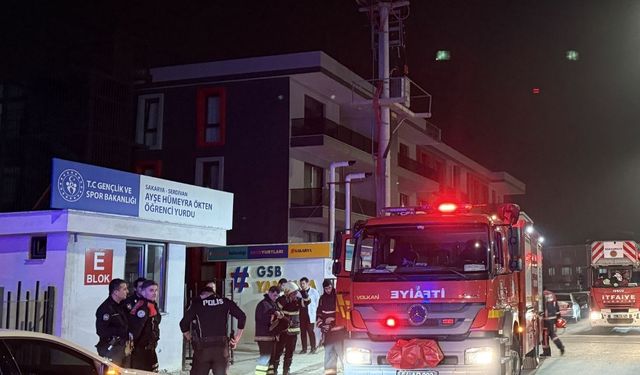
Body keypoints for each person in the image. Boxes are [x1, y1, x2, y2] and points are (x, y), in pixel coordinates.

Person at [180, 284, 246, 375]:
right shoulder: (225, 302)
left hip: (203, 349)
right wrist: (236, 338)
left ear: (204, 294)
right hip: (221, 349)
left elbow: (183, 323)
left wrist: (189, 336)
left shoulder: (197, 304)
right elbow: (242, 317)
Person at [95, 278, 131, 367]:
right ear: (115, 292)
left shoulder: (122, 306)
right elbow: (101, 331)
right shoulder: (106, 309)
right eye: (124, 289)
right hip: (111, 348)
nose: (127, 291)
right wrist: (120, 331)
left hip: (123, 347)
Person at [129, 280, 162, 372]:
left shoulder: (151, 305)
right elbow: (136, 329)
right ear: (143, 292)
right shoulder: (143, 307)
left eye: (156, 290)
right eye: (151, 290)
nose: (154, 293)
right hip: (142, 350)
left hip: (149, 348)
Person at [317, 279, 345, 375]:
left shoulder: (339, 297)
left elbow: (343, 314)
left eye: (329, 288)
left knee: (343, 356)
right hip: (328, 334)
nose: (328, 290)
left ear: (332, 286)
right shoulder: (322, 299)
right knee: (329, 357)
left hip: (339, 334)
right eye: (326, 288)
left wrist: (333, 321)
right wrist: (321, 325)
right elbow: (319, 314)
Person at [273, 282, 302, 375]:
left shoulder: (298, 300)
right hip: (283, 331)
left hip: (293, 332)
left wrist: (303, 291)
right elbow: (276, 311)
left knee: (289, 353)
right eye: (293, 293)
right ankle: (274, 371)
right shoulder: (281, 300)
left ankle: (286, 371)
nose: (295, 295)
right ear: (288, 293)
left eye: (296, 293)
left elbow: (307, 301)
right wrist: (285, 300)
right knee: (278, 352)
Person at [254, 286, 283, 375]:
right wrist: (274, 316)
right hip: (264, 337)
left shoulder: (273, 303)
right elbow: (261, 319)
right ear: (269, 293)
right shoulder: (263, 304)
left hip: (272, 337)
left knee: (271, 360)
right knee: (264, 359)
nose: (276, 297)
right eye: (274, 295)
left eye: (277, 296)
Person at [542, 286, 565, 356]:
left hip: (546, 318)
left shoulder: (543, 294)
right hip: (553, 317)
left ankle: (547, 352)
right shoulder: (552, 294)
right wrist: (558, 316)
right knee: (552, 334)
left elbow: (542, 306)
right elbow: (556, 306)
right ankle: (560, 346)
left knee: (545, 335)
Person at [298, 277, 319, 354]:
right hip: (302, 315)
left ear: (308, 283)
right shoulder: (299, 293)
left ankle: (313, 348)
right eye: (301, 284)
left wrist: (316, 313)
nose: (302, 285)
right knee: (303, 332)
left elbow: (317, 303)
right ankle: (304, 349)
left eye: (303, 283)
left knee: (310, 331)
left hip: (311, 315)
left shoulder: (314, 292)